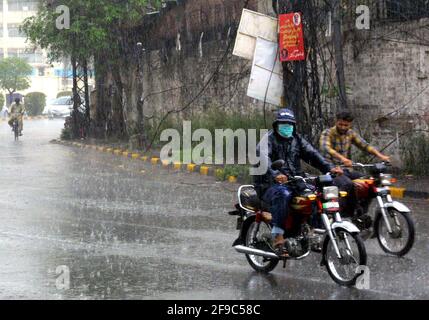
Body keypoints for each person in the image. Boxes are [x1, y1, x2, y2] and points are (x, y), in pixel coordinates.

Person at [254, 108, 343, 255]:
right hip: (269, 183)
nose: (286, 127)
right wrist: (275, 173)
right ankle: (278, 236)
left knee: (315, 194)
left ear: (294, 125)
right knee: (282, 195)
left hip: (294, 180)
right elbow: (263, 157)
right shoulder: (268, 140)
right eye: (283, 124)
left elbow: (313, 155)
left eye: (289, 124)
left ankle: (313, 231)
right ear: (276, 125)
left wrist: (330, 167)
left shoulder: (297, 139)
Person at [319, 111, 390, 216]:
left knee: (369, 183)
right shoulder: (327, 133)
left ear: (350, 124)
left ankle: (362, 211)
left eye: (346, 125)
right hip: (331, 170)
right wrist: (343, 159)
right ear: (336, 121)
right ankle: (350, 212)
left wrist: (381, 156)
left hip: (346, 170)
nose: (343, 127)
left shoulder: (350, 133)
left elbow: (364, 145)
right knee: (348, 184)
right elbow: (326, 148)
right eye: (340, 124)